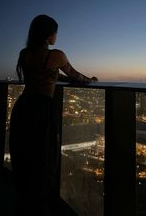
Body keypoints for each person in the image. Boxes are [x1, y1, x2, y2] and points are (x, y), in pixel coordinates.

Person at [9, 14, 98, 215]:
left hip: (23, 107)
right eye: (55, 32)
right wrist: (91, 80)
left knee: (23, 154)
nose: (56, 36)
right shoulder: (56, 55)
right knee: (44, 157)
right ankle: (41, 204)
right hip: (42, 109)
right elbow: (76, 76)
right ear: (49, 35)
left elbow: (37, 76)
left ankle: (23, 201)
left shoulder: (25, 54)